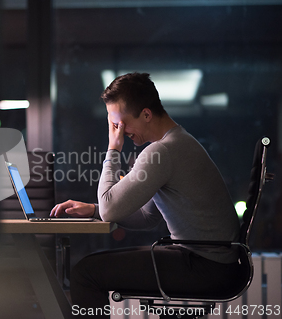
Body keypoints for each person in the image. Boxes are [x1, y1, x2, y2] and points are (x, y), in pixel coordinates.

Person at [50, 73, 243, 318]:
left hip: (205, 266)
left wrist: (113, 150)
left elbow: (111, 209)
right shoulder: (176, 143)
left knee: (86, 273)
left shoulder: (162, 151)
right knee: (89, 268)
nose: (119, 132)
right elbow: (147, 217)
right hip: (212, 262)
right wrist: (95, 209)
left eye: (120, 124)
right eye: (114, 127)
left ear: (146, 114)